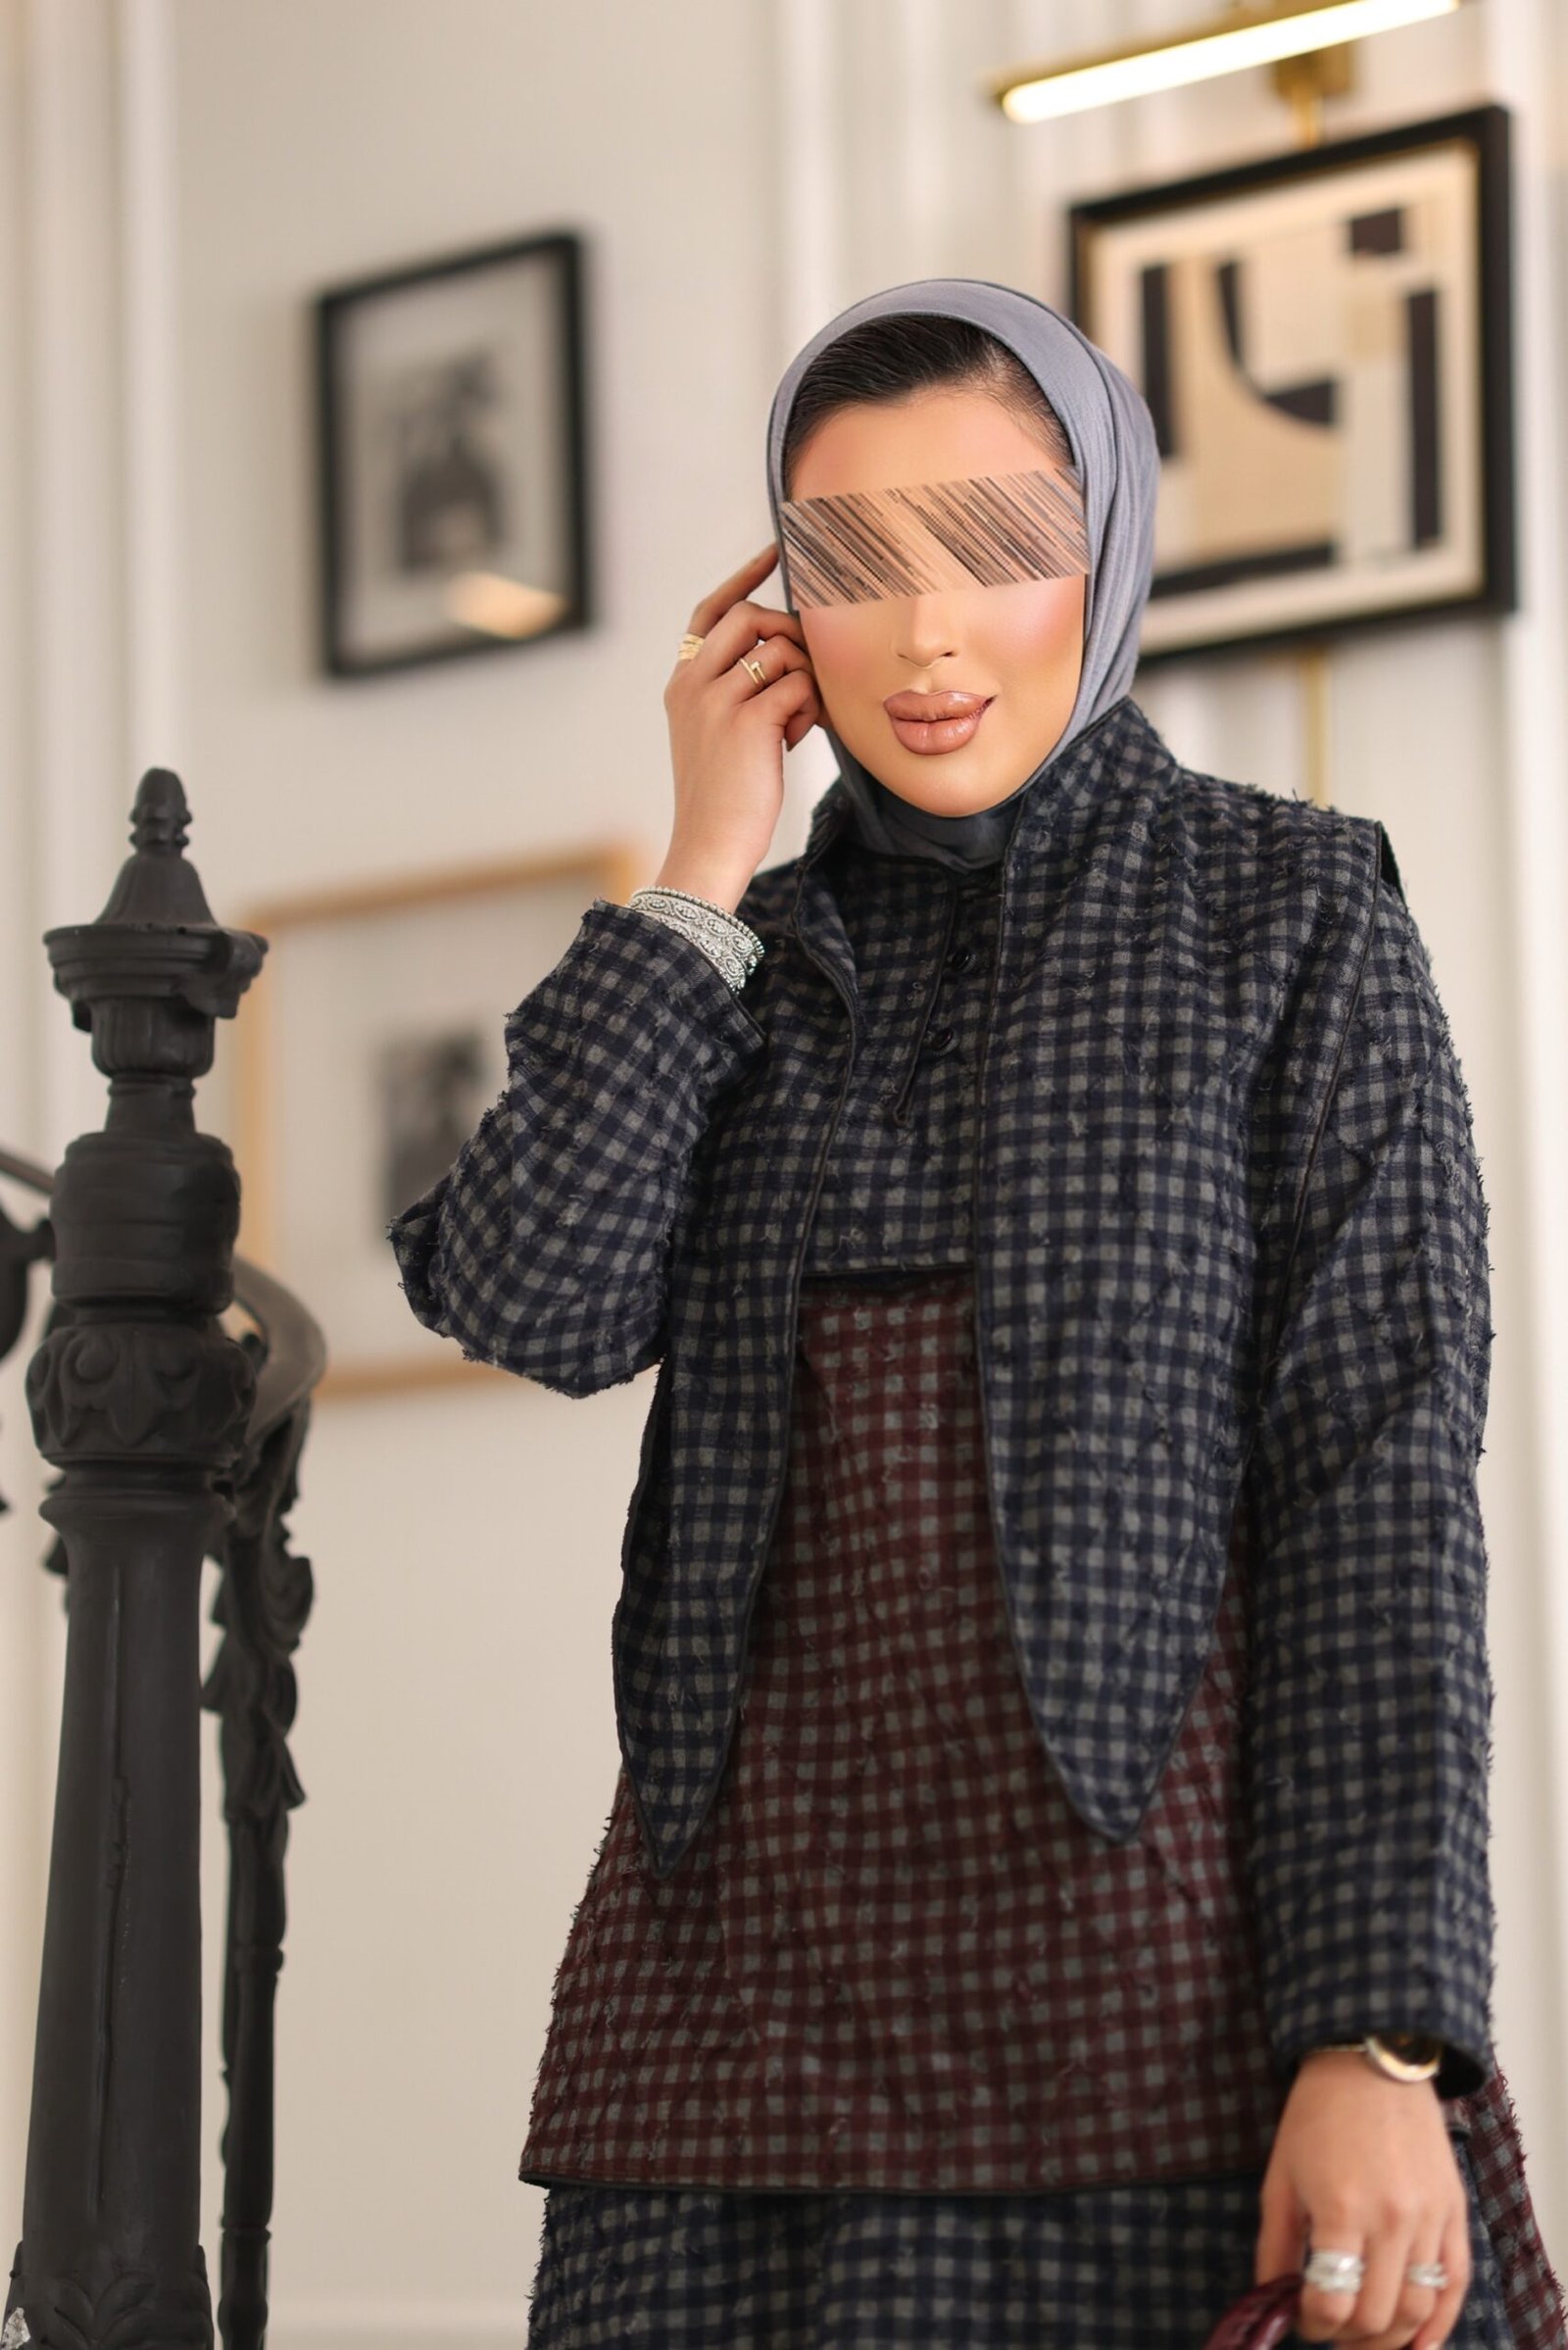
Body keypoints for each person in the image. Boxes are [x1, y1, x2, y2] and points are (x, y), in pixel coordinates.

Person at [387, 278, 1565, 2350]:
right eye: (849, 562)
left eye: (998, 544)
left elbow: (1375, 1495)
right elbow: (530, 1295)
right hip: (723, 2060)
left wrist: (1380, 2038)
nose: (925, 635)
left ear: (1103, 554)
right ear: (773, 614)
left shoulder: (1285, 914)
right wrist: (701, 864)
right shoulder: (735, 964)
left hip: (1149, 2024)